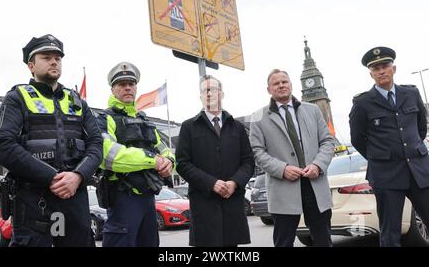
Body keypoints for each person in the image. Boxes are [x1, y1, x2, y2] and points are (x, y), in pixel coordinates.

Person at [0, 34, 103, 247]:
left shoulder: (78, 101)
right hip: (34, 200)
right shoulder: (17, 98)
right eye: (46, 57)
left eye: (58, 58)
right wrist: (52, 177)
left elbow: (97, 144)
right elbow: (3, 145)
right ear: (31, 65)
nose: (54, 61)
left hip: (74, 198)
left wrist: (78, 176)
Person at [349, 46, 429, 247]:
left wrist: (412, 150)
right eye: (376, 68)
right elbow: (357, 139)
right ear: (371, 74)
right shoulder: (363, 103)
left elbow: (420, 127)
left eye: (385, 65)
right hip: (386, 176)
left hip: (419, 170)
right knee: (390, 232)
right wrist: (381, 157)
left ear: (394, 68)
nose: (381, 70)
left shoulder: (411, 93)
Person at [249, 69, 334, 247]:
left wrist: (318, 165)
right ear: (268, 89)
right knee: (284, 241)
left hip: (315, 184)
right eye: (276, 83)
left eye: (284, 82)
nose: (281, 85)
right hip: (283, 187)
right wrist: (282, 169)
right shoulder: (258, 117)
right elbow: (257, 152)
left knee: (323, 239)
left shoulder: (313, 110)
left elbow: (327, 141)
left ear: (291, 85)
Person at [96, 62, 174, 247]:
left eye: (131, 83)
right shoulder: (104, 119)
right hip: (123, 198)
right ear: (113, 89)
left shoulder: (145, 121)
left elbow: (164, 149)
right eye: (122, 84)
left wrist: (169, 162)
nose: (128, 87)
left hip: (148, 197)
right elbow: (109, 156)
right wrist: (152, 160)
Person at [175, 75, 255, 247]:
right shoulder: (189, 127)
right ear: (200, 97)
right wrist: (212, 183)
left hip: (232, 203)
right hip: (204, 204)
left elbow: (248, 161)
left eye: (213, 89)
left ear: (222, 94)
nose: (209, 93)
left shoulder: (237, 127)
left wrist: (234, 182)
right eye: (205, 90)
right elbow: (182, 163)